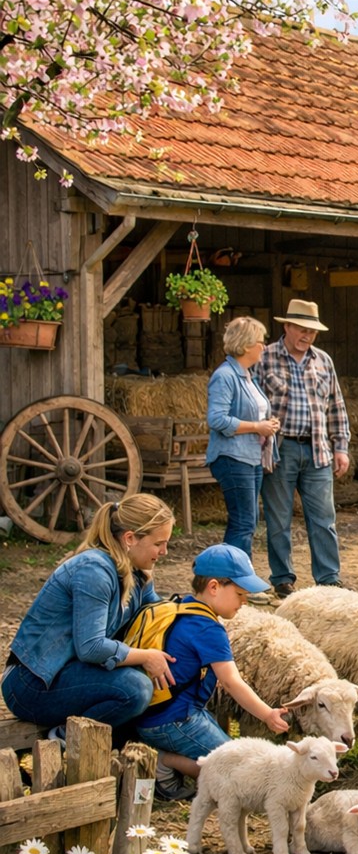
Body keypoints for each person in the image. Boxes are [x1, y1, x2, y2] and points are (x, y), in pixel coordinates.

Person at [2, 495, 176, 742]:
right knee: (136, 688)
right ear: (130, 538)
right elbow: (91, 647)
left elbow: (158, 611)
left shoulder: (137, 572)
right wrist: (147, 656)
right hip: (31, 685)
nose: (164, 552)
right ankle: (65, 738)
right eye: (159, 543)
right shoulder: (94, 570)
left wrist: (195, 614)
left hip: (72, 674)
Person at [133, 543, 291, 800]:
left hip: (158, 713)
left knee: (233, 757)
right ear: (214, 587)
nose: (244, 602)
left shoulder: (182, 607)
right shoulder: (209, 629)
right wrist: (267, 714)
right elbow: (231, 682)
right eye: (240, 594)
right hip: (175, 720)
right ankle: (166, 762)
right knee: (237, 769)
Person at [252, 298, 351, 599]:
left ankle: (329, 579)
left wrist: (341, 446)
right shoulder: (265, 357)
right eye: (301, 329)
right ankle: (283, 579)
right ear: (287, 327)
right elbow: (251, 402)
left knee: (324, 518)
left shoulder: (323, 361)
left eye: (312, 331)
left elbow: (336, 405)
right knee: (278, 519)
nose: (307, 335)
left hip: (317, 448)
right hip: (280, 449)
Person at [206, 316, 280, 558]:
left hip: (250, 457)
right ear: (247, 345)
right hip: (233, 457)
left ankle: (235, 573)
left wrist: (268, 424)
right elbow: (217, 419)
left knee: (248, 520)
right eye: (261, 341)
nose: (264, 347)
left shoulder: (248, 376)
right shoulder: (225, 376)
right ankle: (233, 575)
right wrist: (257, 426)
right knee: (243, 522)